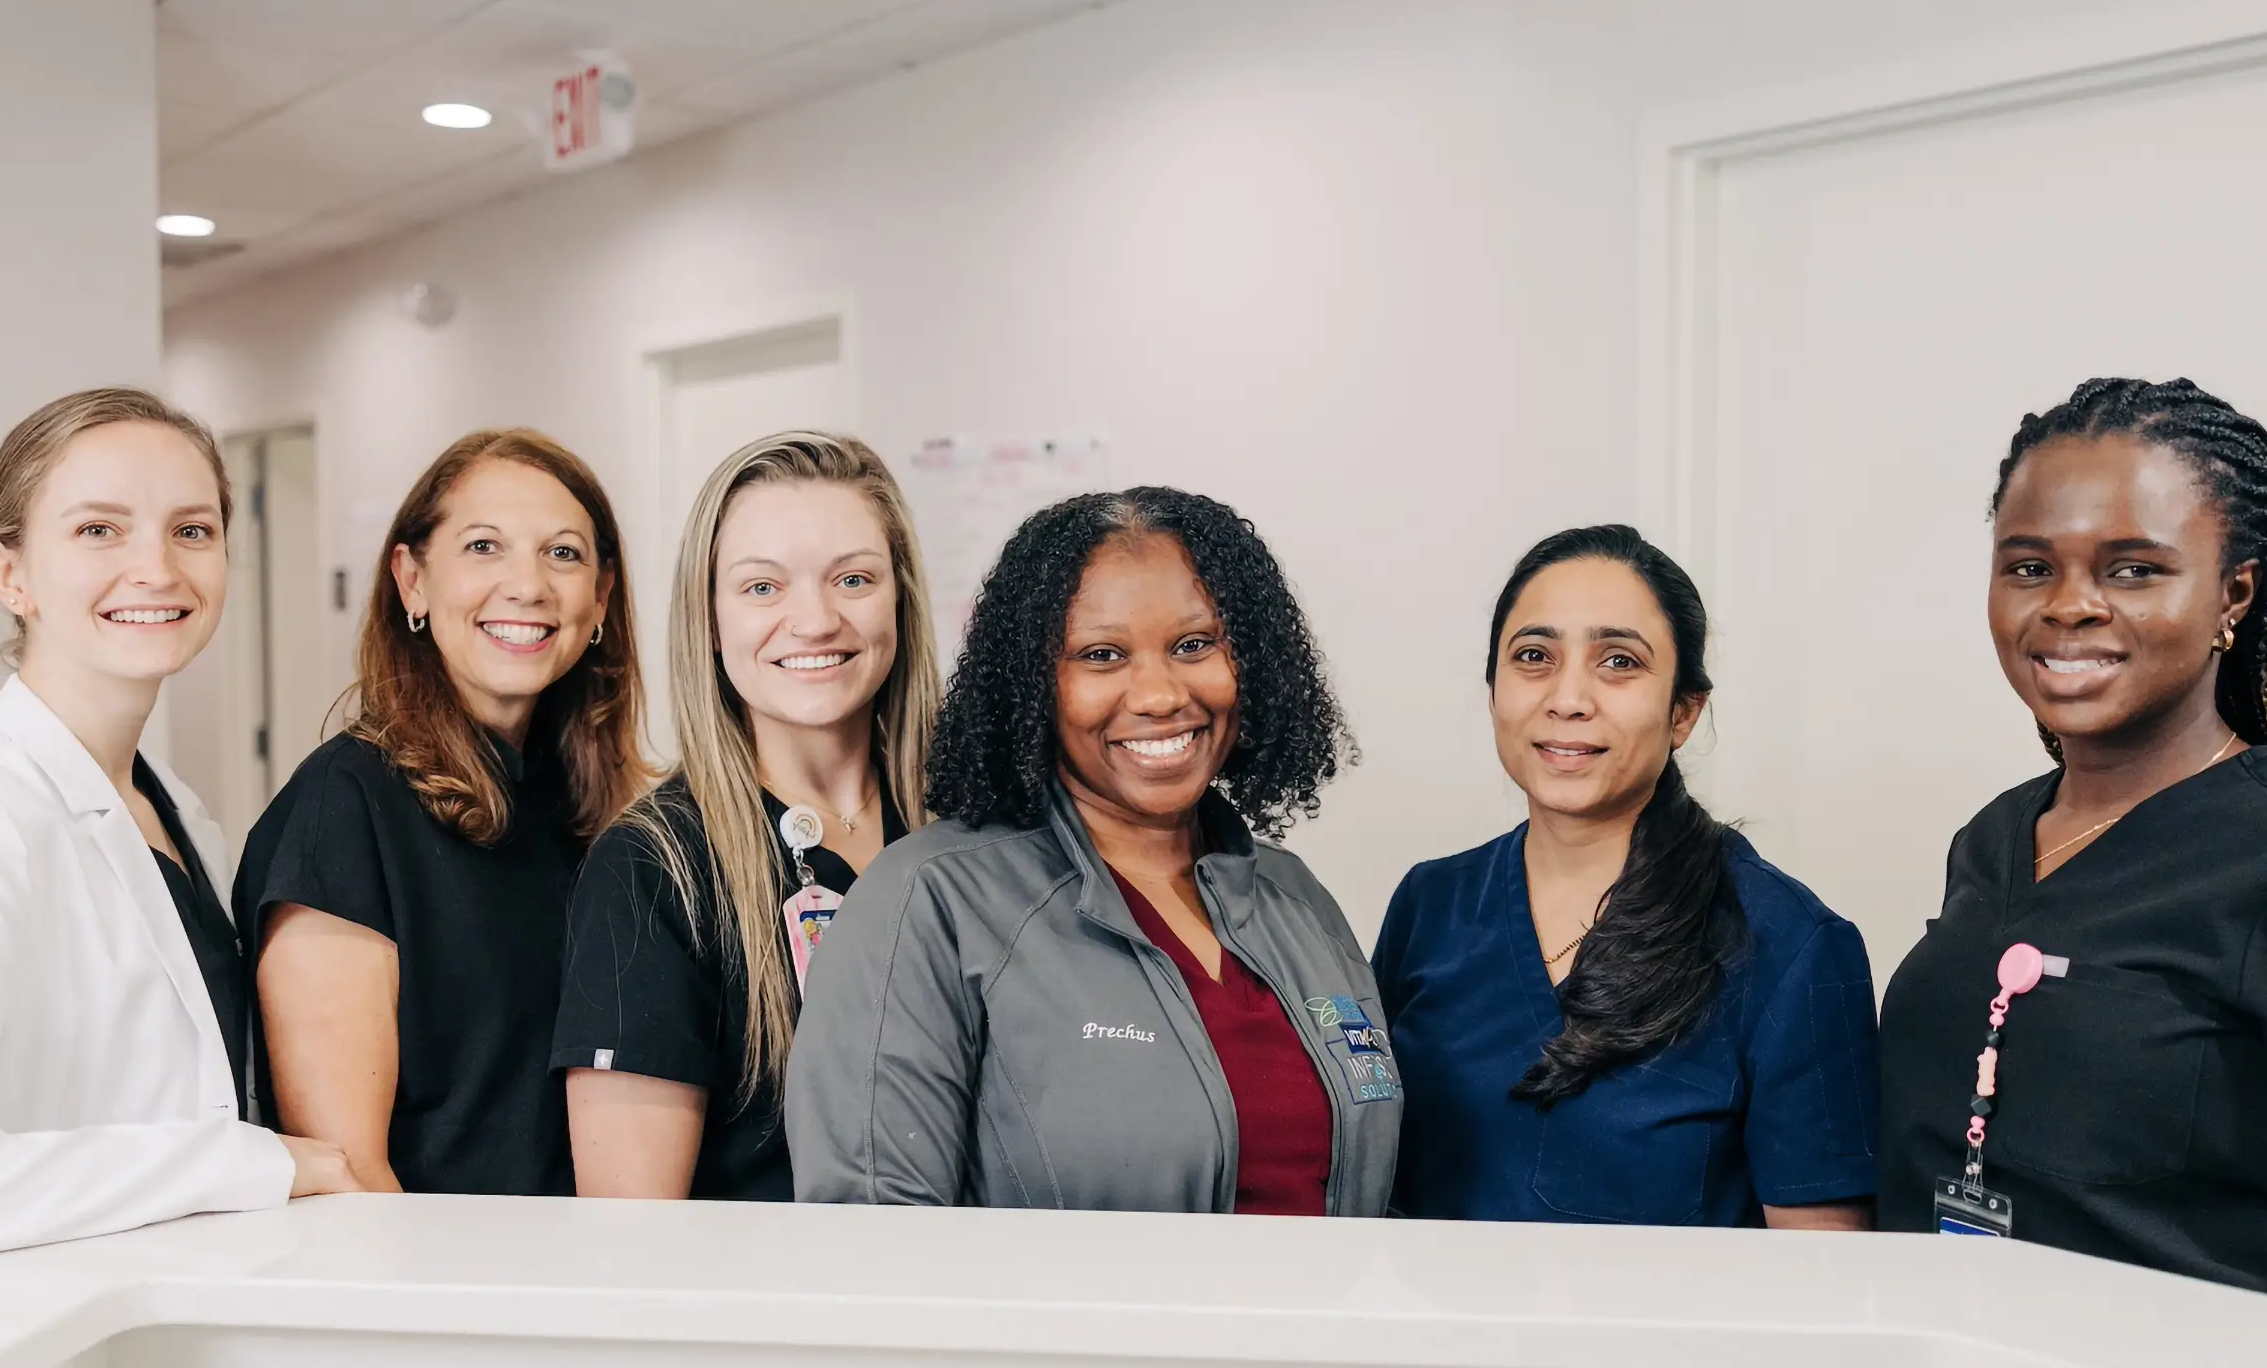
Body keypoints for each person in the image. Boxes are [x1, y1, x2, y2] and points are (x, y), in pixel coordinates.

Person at [1879, 377, 2267, 1335]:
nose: (2069, 606)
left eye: (2134, 569)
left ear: (2233, 594)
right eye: (2030, 566)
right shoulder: (1996, 837)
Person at [0, 389, 359, 1268]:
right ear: (8, 575)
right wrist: (239, 1162)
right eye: (99, 530)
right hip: (26, 1331)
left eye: (192, 530)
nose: (157, 568)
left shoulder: (173, 810)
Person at [787, 487, 1397, 1215]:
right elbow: (870, 1230)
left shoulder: (1295, 897)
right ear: (1034, 685)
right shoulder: (928, 900)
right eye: (1102, 656)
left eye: (1194, 645)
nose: (1160, 695)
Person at [1377, 526, 1878, 1228]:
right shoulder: (1430, 906)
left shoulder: (1790, 946)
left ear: (1683, 711)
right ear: (1493, 693)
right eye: (1534, 657)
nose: (1568, 698)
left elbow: (1824, 1267)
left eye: (1619, 661)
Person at [233, 429, 645, 1196]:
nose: (528, 586)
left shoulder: (594, 813)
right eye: (484, 547)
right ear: (412, 579)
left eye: (562, 554)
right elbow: (349, 1178)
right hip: (439, 1266)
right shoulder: (343, 811)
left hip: (591, 1256)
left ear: (601, 597)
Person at [553, 432, 941, 1199]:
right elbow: (634, 1233)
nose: (815, 620)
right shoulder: (654, 869)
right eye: (763, 587)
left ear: (900, 598)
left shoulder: (974, 831)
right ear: (709, 618)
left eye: (853, 579)